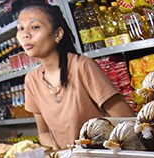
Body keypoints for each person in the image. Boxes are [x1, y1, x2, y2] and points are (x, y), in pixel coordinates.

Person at [17, 1, 135, 149]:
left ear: (57, 34)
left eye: (35, 27)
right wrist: (65, 154)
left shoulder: (82, 66)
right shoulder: (31, 80)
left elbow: (126, 119)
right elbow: (44, 133)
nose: (25, 35)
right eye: (20, 28)